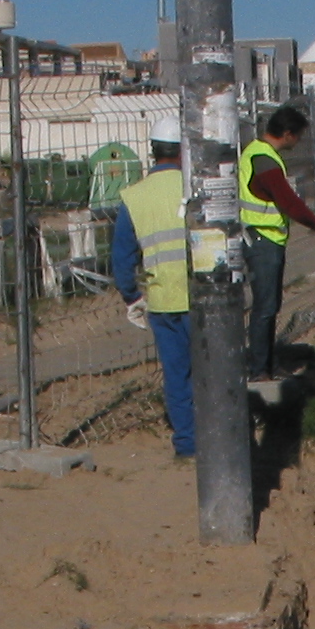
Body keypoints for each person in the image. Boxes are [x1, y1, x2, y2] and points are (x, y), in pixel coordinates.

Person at [111, 113, 197, 457]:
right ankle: (222, 437)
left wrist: (132, 296)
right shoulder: (196, 190)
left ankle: (187, 446)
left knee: (177, 377)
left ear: (153, 151)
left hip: (161, 300)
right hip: (202, 298)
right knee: (214, 372)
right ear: (183, 152)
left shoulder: (134, 196)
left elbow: (122, 257)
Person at [239, 104, 315, 380]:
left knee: (267, 306)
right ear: (287, 134)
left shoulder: (254, 151)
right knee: (265, 307)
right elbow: (287, 201)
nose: (298, 143)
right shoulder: (266, 161)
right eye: (297, 137)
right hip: (263, 239)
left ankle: (267, 364)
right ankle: (260, 368)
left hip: (260, 237)